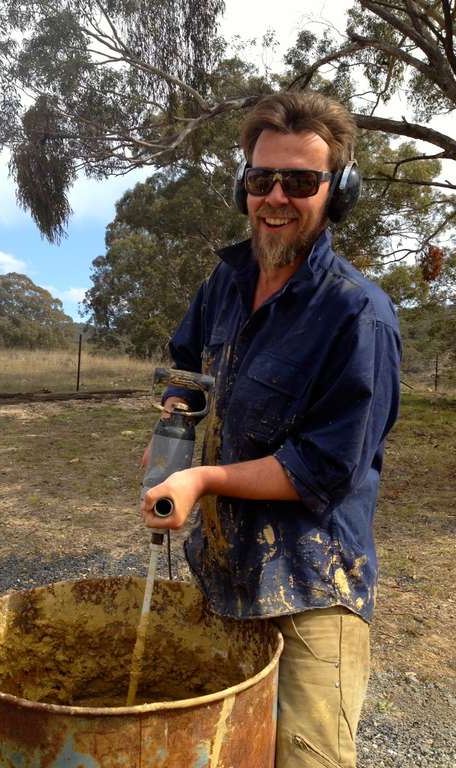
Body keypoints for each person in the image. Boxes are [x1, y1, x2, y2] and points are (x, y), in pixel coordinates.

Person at [141, 91, 401, 768]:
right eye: (262, 180)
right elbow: (185, 364)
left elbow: (325, 469)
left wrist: (200, 476)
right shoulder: (224, 285)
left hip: (314, 591)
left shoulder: (359, 315)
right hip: (226, 572)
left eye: (301, 181)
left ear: (336, 192)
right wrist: (174, 425)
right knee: (223, 753)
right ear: (243, 187)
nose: (277, 196)